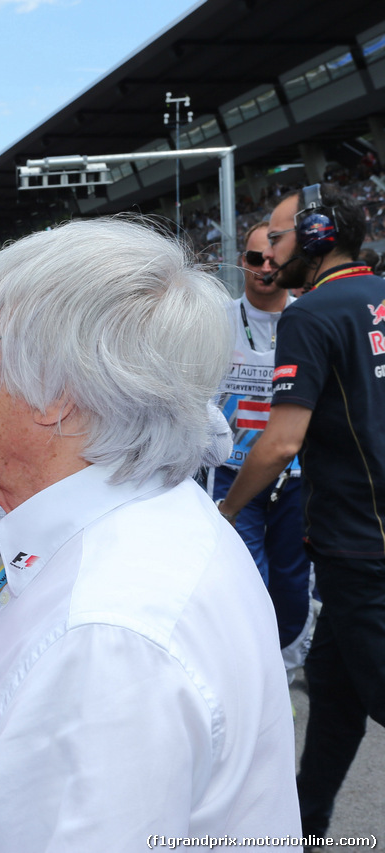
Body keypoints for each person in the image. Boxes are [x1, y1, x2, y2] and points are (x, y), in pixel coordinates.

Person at [0, 217, 299, 849]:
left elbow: (68, 654)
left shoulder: (106, 638)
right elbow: (28, 662)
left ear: (56, 392)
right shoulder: (146, 517)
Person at [217, 184, 385, 837]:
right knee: (336, 697)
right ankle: (303, 829)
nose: (271, 249)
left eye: (281, 235)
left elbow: (282, 439)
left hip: (357, 544)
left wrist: (228, 507)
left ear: (316, 237)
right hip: (360, 537)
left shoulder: (308, 315)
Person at [209, 221, 312, 673]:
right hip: (233, 475)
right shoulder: (217, 321)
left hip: (297, 476)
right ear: (241, 263)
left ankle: (283, 670)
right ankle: (250, 674)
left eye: (275, 261)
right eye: (255, 259)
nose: (265, 269)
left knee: (292, 586)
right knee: (243, 580)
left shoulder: (309, 317)